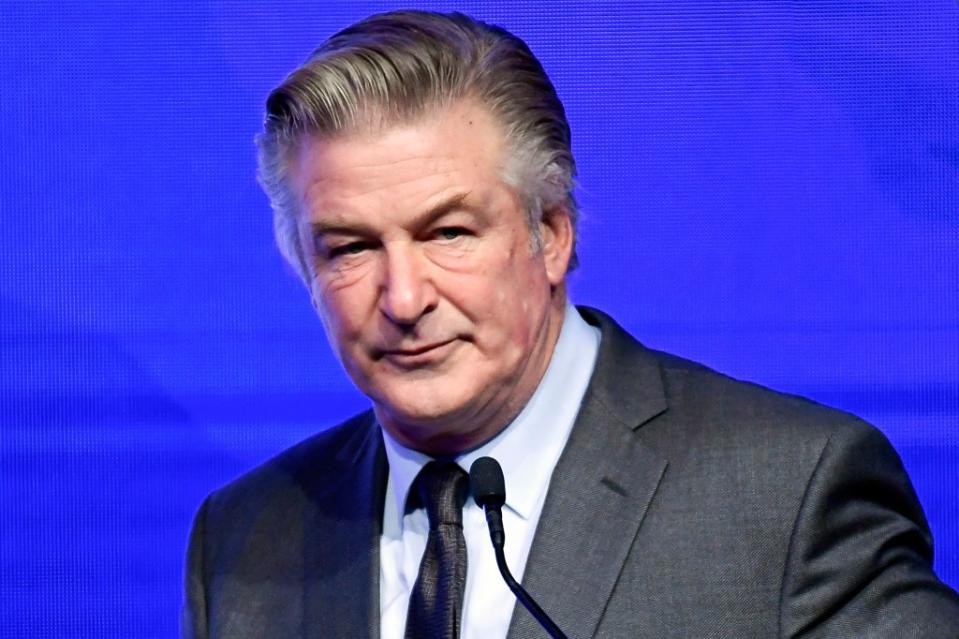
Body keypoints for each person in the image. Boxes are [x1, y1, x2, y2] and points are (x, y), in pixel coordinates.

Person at [182, 10, 959, 638]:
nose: (403, 296)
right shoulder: (247, 537)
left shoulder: (787, 493)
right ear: (302, 266)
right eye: (349, 247)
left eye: (448, 232)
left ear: (550, 233)